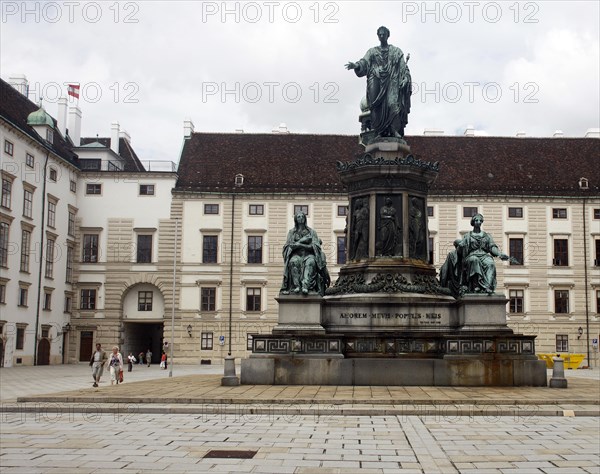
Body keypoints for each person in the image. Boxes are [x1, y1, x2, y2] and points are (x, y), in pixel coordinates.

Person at [346, 26, 412, 139]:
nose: (382, 36)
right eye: (380, 34)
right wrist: (356, 65)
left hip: (392, 82)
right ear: (378, 36)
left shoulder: (396, 51)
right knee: (376, 108)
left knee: (393, 105)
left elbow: (403, 67)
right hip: (376, 80)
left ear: (388, 35)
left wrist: (406, 78)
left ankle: (394, 130)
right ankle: (380, 132)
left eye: (384, 34)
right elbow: (364, 62)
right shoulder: (372, 52)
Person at [441, 213, 509, 295]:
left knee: (490, 263)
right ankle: (475, 286)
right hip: (471, 255)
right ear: (473, 222)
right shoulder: (467, 236)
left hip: (484, 255)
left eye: (480, 220)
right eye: (476, 220)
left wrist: (500, 254)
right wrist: (460, 246)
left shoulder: (487, 236)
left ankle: (488, 287)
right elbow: (460, 249)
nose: (479, 222)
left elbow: (492, 247)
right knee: (474, 260)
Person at [280, 211, 330, 296]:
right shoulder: (291, 232)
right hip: (296, 255)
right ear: (296, 219)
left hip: (309, 255)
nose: (300, 218)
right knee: (293, 262)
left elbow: (315, 247)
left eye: (302, 216)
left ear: (305, 218)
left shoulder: (312, 232)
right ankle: (297, 286)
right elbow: (287, 247)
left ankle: (305, 286)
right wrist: (294, 246)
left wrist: (300, 245)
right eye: (298, 217)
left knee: (310, 263)